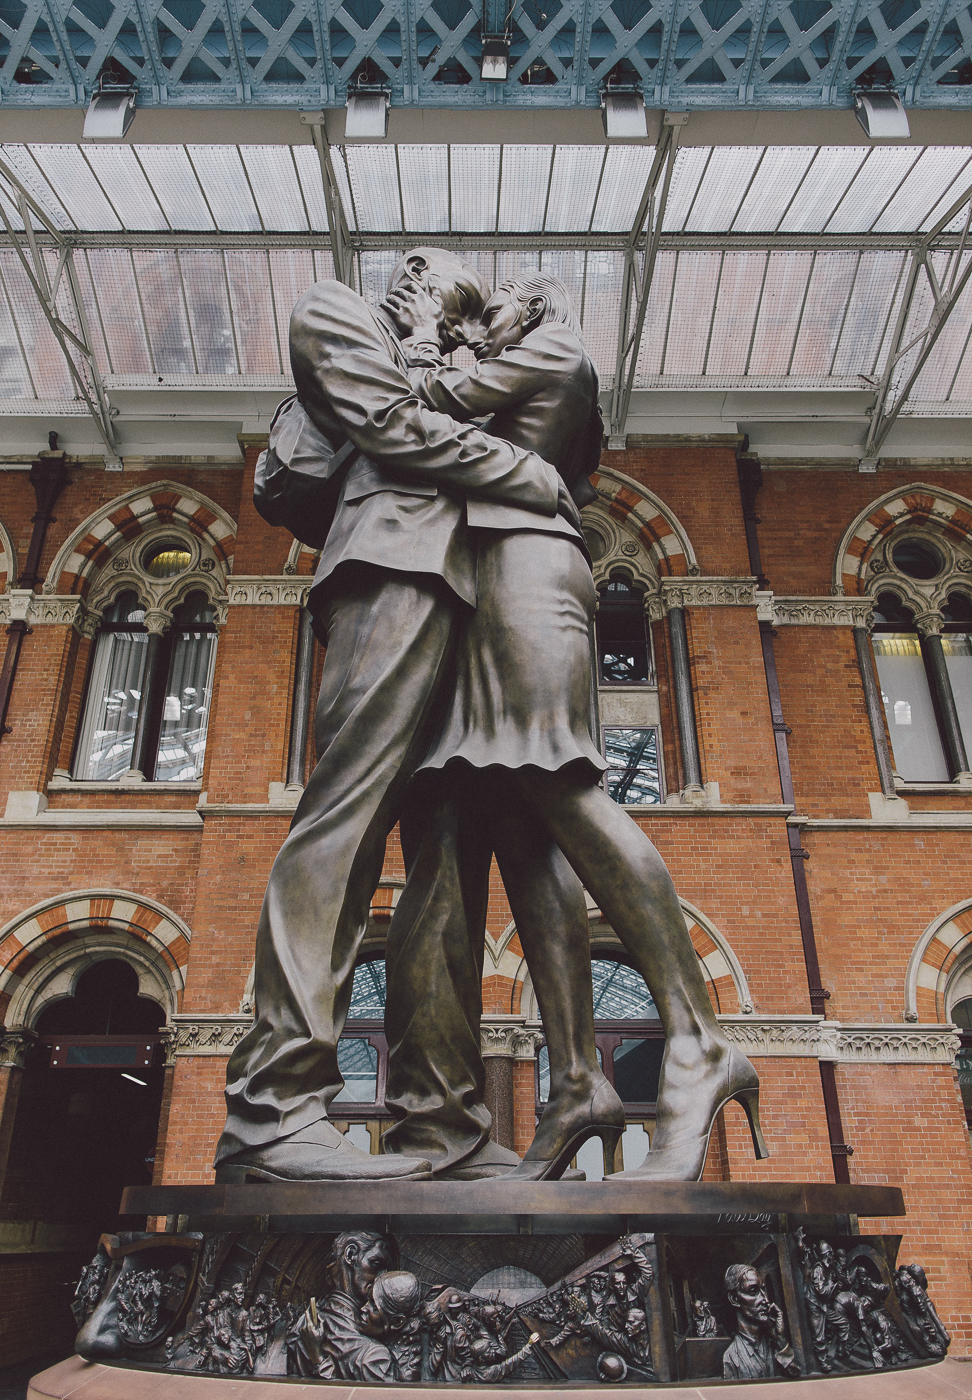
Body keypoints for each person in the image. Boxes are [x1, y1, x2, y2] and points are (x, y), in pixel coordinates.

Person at [396, 275, 765, 1181]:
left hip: (526, 572)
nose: (478, 327)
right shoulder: (523, 365)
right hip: (485, 580)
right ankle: (573, 1080)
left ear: (532, 310)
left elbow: (425, 408)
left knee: (559, 781)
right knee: (521, 821)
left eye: (494, 311)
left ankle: (697, 1038)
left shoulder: (553, 352)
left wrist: (424, 336)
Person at [220, 250, 573, 1182]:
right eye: (449, 304)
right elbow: (389, 428)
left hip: (470, 593)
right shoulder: (336, 313)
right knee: (344, 818)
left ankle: (441, 1124)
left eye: (468, 323)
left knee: (451, 867)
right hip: (391, 569)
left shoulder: (448, 368)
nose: (458, 328)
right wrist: (525, 474)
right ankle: (272, 1109)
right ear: (410, 286)